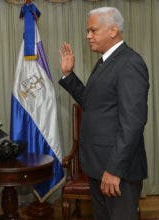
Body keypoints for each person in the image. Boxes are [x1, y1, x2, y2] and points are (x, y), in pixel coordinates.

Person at [58, 7, 149, 220]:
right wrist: (69, 75)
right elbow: (93, 103)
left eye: (93, 30)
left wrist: (115, 170)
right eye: (87, 31)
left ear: (113, 30)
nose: (88, 36)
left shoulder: (130, 63)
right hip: (98, 166)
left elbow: (133, 123)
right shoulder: (105, 61)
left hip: (117, 170)